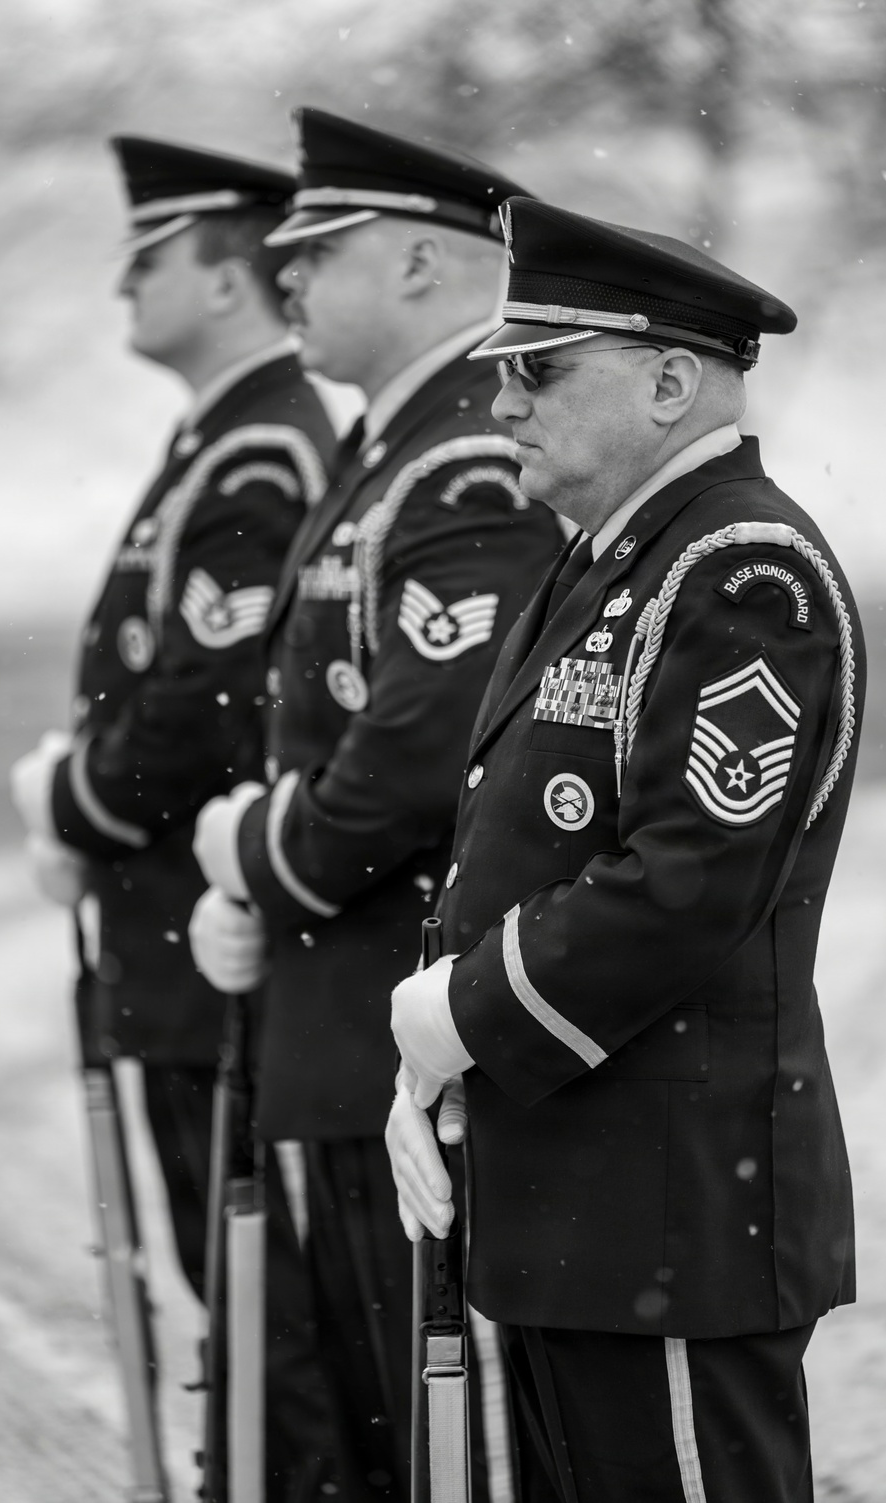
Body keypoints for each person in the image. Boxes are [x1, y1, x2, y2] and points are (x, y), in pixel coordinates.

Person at [387, 196, 864, 1503]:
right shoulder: (613, 558)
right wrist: (443, 1050)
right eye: (500, 372)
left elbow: (685, 886)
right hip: (586, 1202)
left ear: (668, 381)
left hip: (672, 1206)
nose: (505, 404)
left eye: (538, 371)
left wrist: (465, 1010)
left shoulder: (740, 566)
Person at [188, 109, 563, 1501]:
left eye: (317, 247)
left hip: (399, 1026)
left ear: (419, 263)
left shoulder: (470, 452)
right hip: (342, 1023)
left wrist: (256, 859)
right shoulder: (394, 442)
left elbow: (415, 759)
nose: (284, 276)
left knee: (427, 1446)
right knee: (359, 1426)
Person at [9, 135, 343, 1499]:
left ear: (223, 277)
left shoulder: (263, 450)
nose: (121, 290)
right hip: (170, 944)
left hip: (214, 941)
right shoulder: (222, 438)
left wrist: (71, 801)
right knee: (237, 1295)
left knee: (267, 1304)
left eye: (147, 260)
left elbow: (202, 709)